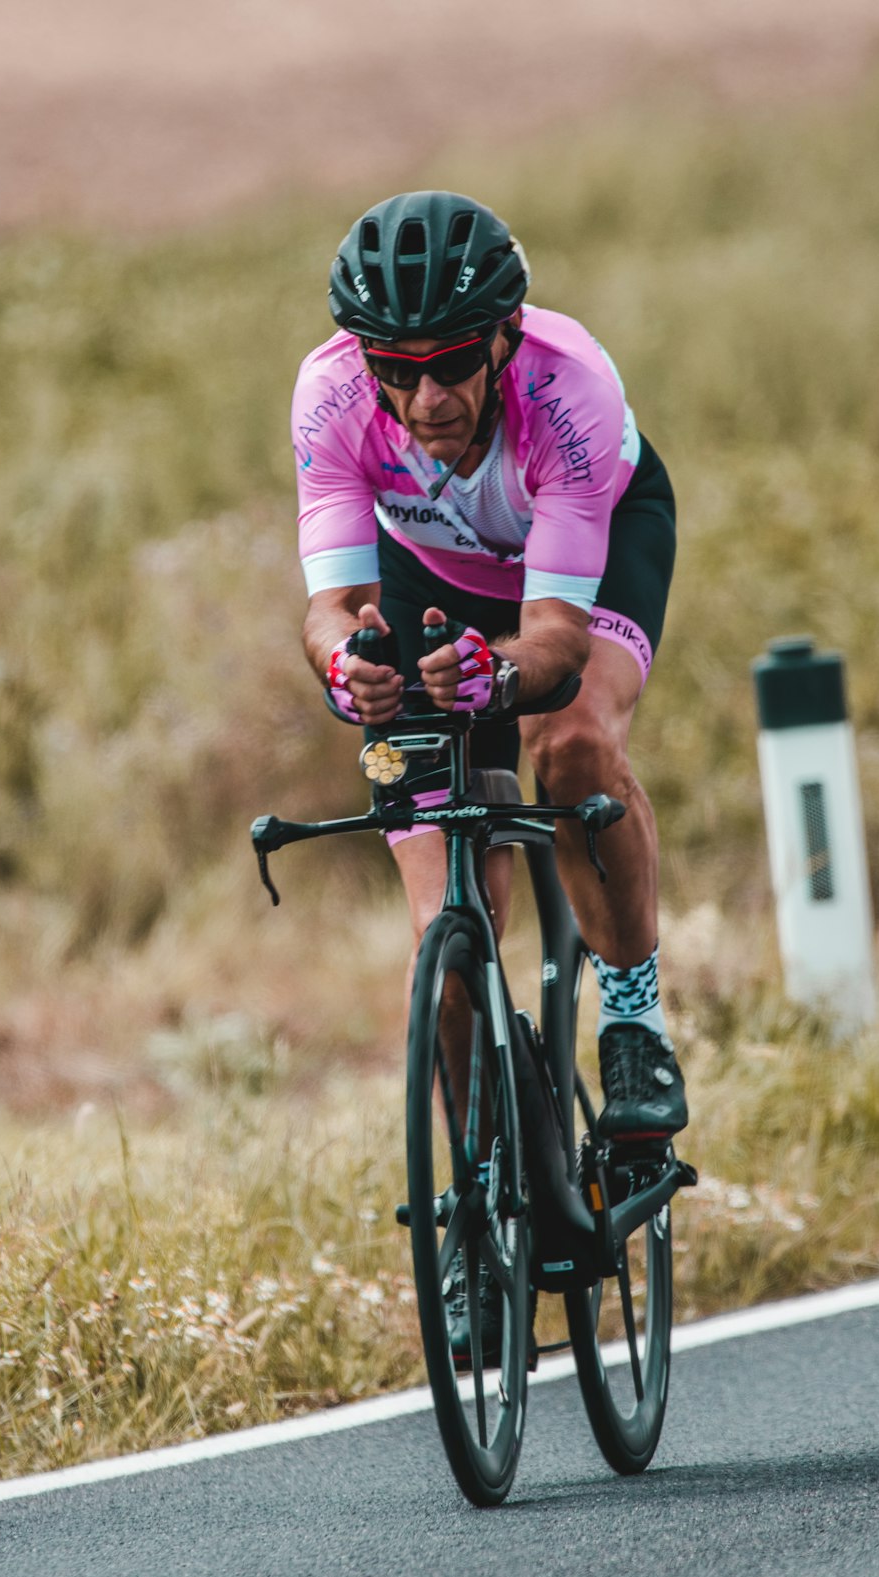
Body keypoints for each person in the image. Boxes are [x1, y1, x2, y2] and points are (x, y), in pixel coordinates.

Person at [292, 191, 687, 1352]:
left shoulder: (568, 390)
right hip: (433, 579)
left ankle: (631, 1018)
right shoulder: (328, 396)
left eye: (455, 362)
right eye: (397, 371)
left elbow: (555, 646)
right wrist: (350, 670)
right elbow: (330, 608)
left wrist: (492, 682)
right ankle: (473, 1218)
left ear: (503, 340)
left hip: (584, 568)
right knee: (444, 948)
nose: (427, 399)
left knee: (567, 744)